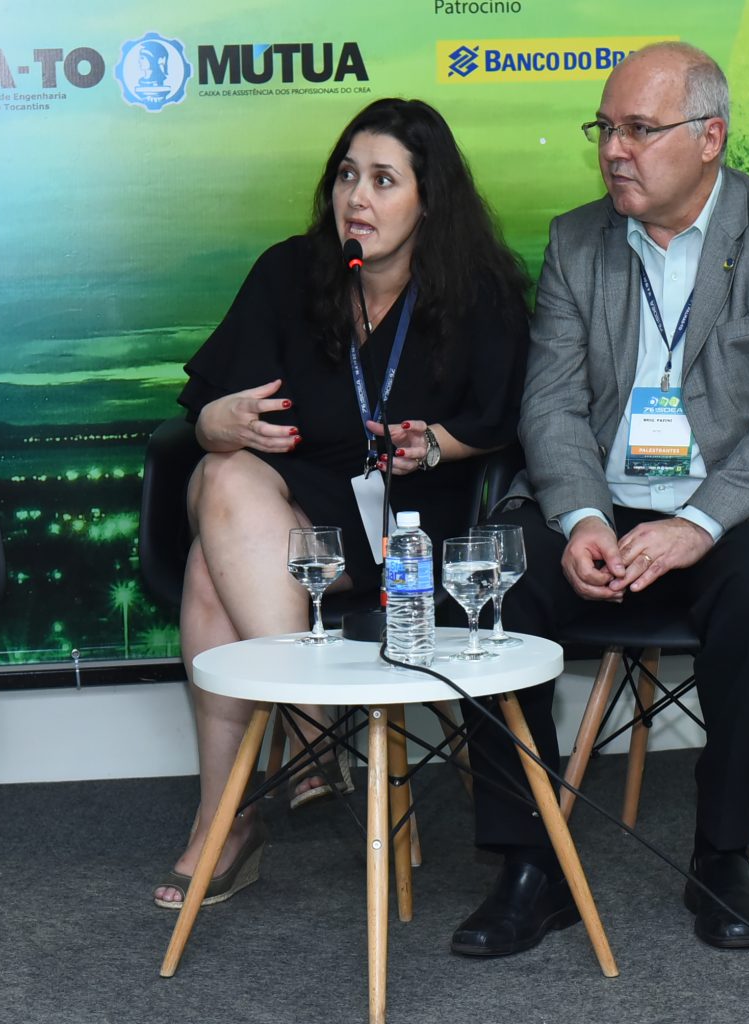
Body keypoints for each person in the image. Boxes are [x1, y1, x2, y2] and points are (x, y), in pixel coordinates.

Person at [451, 41, 749, 955]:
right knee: (490, 587)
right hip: (604, 498)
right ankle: (530, 866)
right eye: (605, 129)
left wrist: (699, 523)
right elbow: (551, 403)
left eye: (639, 129)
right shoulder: (576, 240)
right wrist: (584, 518)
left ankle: (722, 853)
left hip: (737, 506)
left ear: (710, 138)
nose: (613, 151)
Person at [153, 98, 530, 908]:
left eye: (384, 180)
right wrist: (217, 422)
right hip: (296, 522)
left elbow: (503, 419)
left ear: (429, 199)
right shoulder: (290, 274)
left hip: (415, 527)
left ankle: (232, 818)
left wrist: (435, 443)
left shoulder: (482, 292)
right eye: (346, 176)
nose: (357, 197)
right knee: (222, 473)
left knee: (211, 573)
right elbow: (209, 413)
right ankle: (310, 729)